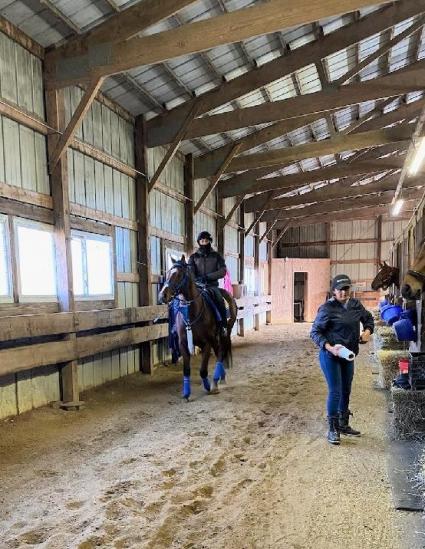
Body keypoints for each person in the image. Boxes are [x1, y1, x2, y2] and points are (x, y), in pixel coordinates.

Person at [310, 274, 374, 445]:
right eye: (340, 289)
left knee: (346, 389)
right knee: (336, 390)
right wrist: (330, 347)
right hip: (331, 355)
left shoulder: (355, 305)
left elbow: (368, 319)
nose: (343, 292)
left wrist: (367, 332)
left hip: (349, 354)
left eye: (346, 289)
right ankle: (332, 428)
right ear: (333, 291)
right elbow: (315, 333)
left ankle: (343, 424)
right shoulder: (326, 309)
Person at [188, 231, 227, 331]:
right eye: (202, 241)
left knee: (219, 300)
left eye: (206, 241)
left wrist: (207, 277)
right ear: (199, 242)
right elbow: (190, 271)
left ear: (209, 241)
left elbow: (222, 271)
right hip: (198, 286)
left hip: (212, 286)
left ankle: (223, 325)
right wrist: (196, 279)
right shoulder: (193, 257)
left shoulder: (217, 256)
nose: (204, 242)